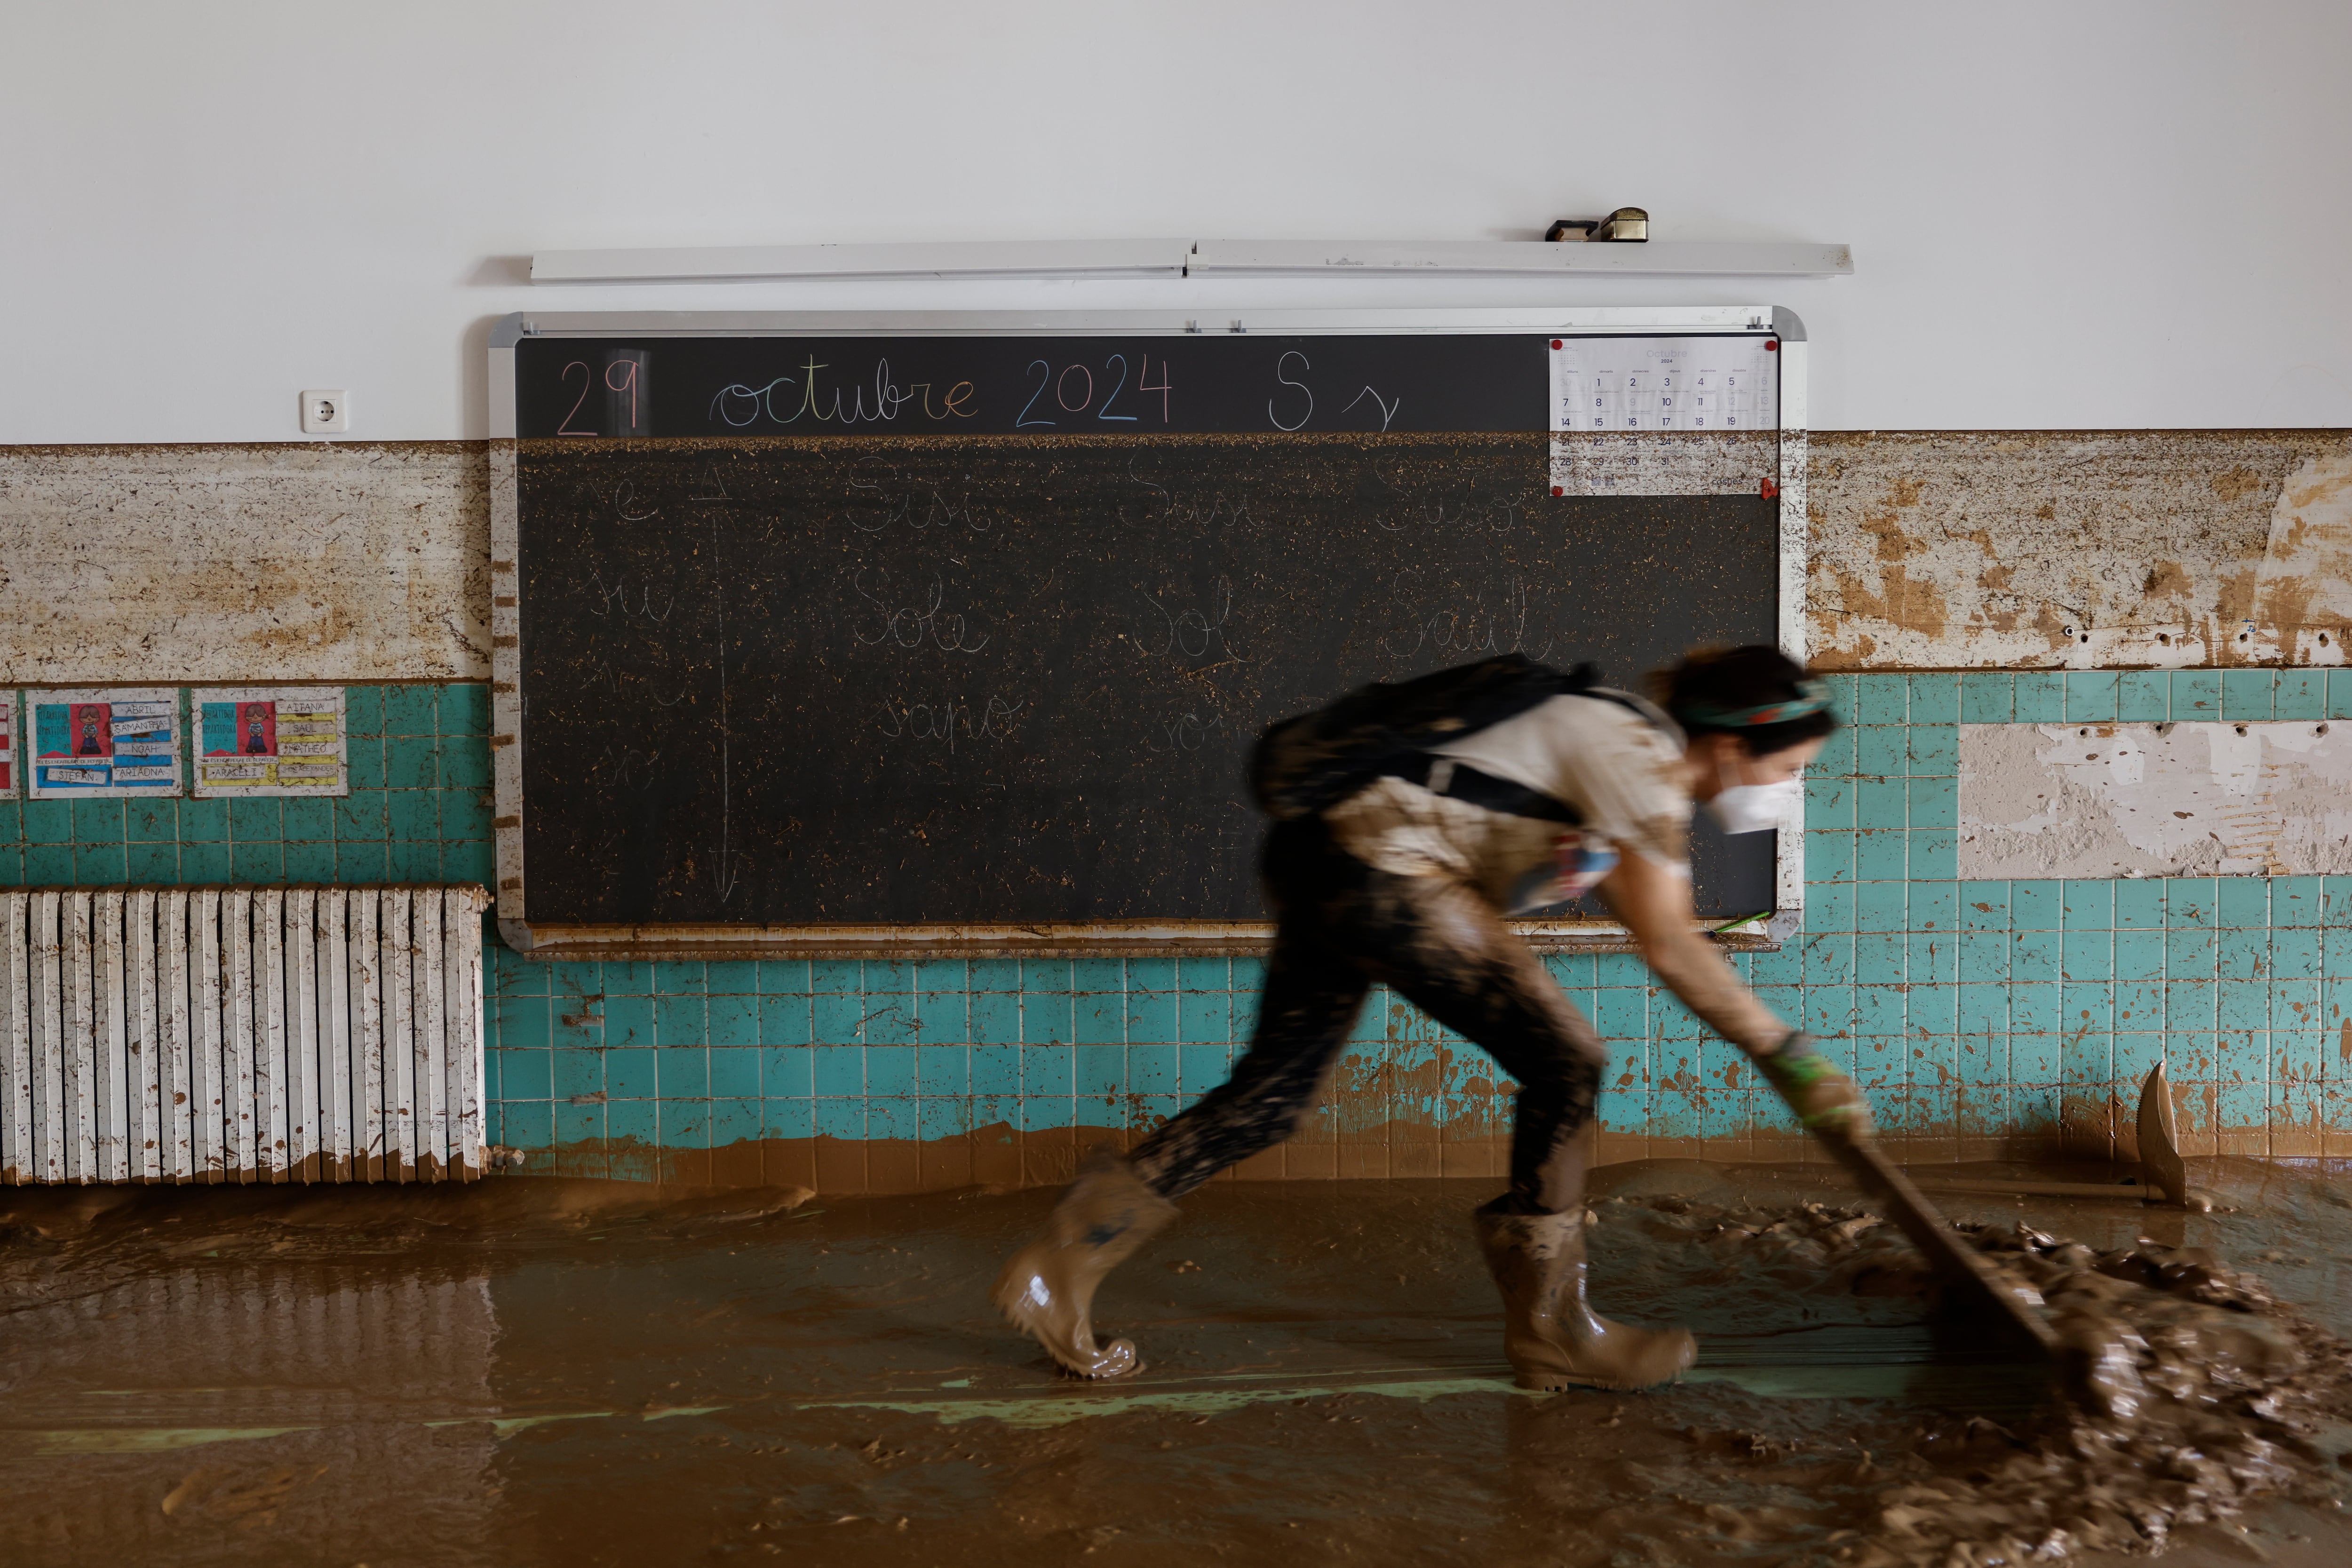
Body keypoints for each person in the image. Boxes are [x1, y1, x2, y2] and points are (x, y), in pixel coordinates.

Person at [991, 645, 1871, 1390]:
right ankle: (1554, 1324)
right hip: (1381, 875)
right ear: (1727, 746)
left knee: (1272, 1097)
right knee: (1568, 1062)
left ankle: (1062, 1263)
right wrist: (1792, 1057)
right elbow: (1673, 945)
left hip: (1323, 857)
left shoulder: (1614, 740)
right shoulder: (1639, 760)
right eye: (1787, 770)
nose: (1786, 789)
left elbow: (1584, 871)